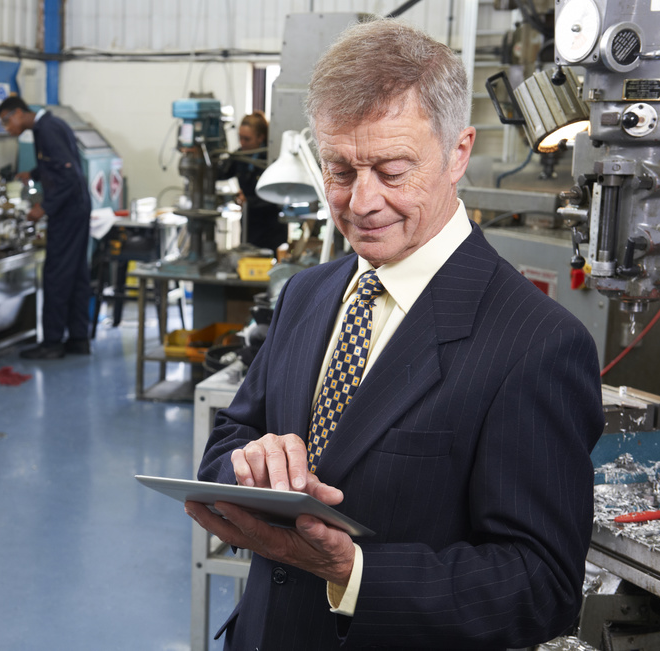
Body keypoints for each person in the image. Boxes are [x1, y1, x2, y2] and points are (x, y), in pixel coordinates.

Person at [187, 18, 604, 650]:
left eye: (392, 169)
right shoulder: (308, 294)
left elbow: (541, 586)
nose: (361, 202)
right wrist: (247, 465)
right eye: (341, 170)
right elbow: (233, 435)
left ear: (458, 153)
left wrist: (351, 571)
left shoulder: (536, 343)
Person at [0, 95, 92, 360]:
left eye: (7, 122)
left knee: (56, 275)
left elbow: (69, 176)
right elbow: (57, 163)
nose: (8, 128)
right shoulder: (50, 125)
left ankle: (51, 343)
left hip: (68, 212)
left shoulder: (47, 130)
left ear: (18, 113)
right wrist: (34, 174)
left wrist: (44, 208)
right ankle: (78, 338)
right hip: (78, 208)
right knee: (76, 275)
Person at [218, 111, 288, 252]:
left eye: (247, 139)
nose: (242, 143)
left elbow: (277, 197)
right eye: (240, 138)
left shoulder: (272, 160)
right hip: (249, 225)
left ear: (260, 138)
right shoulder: (240, 156)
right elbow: (220, 173)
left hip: (271, 227)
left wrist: (248, 200)